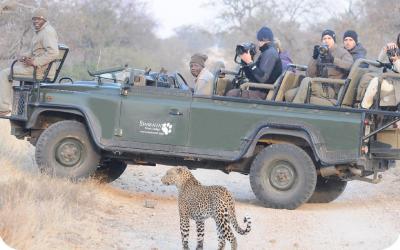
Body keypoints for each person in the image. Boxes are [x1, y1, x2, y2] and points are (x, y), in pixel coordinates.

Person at [0, 8, 59, 115]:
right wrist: (23, 56)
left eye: (39, 19)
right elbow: (33, 52)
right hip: (36, 68)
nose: (36, 21)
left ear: (44, 20)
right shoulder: (40, 32)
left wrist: (35, 62)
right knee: (9, 71)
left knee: (4, 73)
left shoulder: (47, 32)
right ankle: (20, 110)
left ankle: (3, 108)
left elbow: (54, 53)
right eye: (34, 19)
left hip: (40, 71)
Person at [285, 29, 353, 105]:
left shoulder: (342, 52)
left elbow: (349, 66)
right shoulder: (321, 53)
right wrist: (314, 57)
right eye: (324, 39)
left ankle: (296, 109)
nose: (326, 41)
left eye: (329, 38)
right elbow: (309, 74)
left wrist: (333, 60)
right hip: (318, 85)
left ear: (334, 40)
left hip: (332, 88)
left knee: (307, 81)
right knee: (289, 95)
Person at [227, 26, 282, 99]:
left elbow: (262, 78)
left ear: (264, 39)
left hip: (263, 93)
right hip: (260, 90)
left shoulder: (270, 53)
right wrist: (245, 62)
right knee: (233, 89)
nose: (258, 43)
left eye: (259, 40)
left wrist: (250, 62)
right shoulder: (267, 52)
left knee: (231, 94)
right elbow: (253, 77)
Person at [361, 33, 400, 109]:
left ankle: (364, 108)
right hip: (391, 80)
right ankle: (360, 103)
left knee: (376, 81)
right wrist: (385, 50)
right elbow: (379, 61)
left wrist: (396, 60)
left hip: (397, 84)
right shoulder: (397, 51)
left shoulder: (397, 57)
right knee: (366, 78)